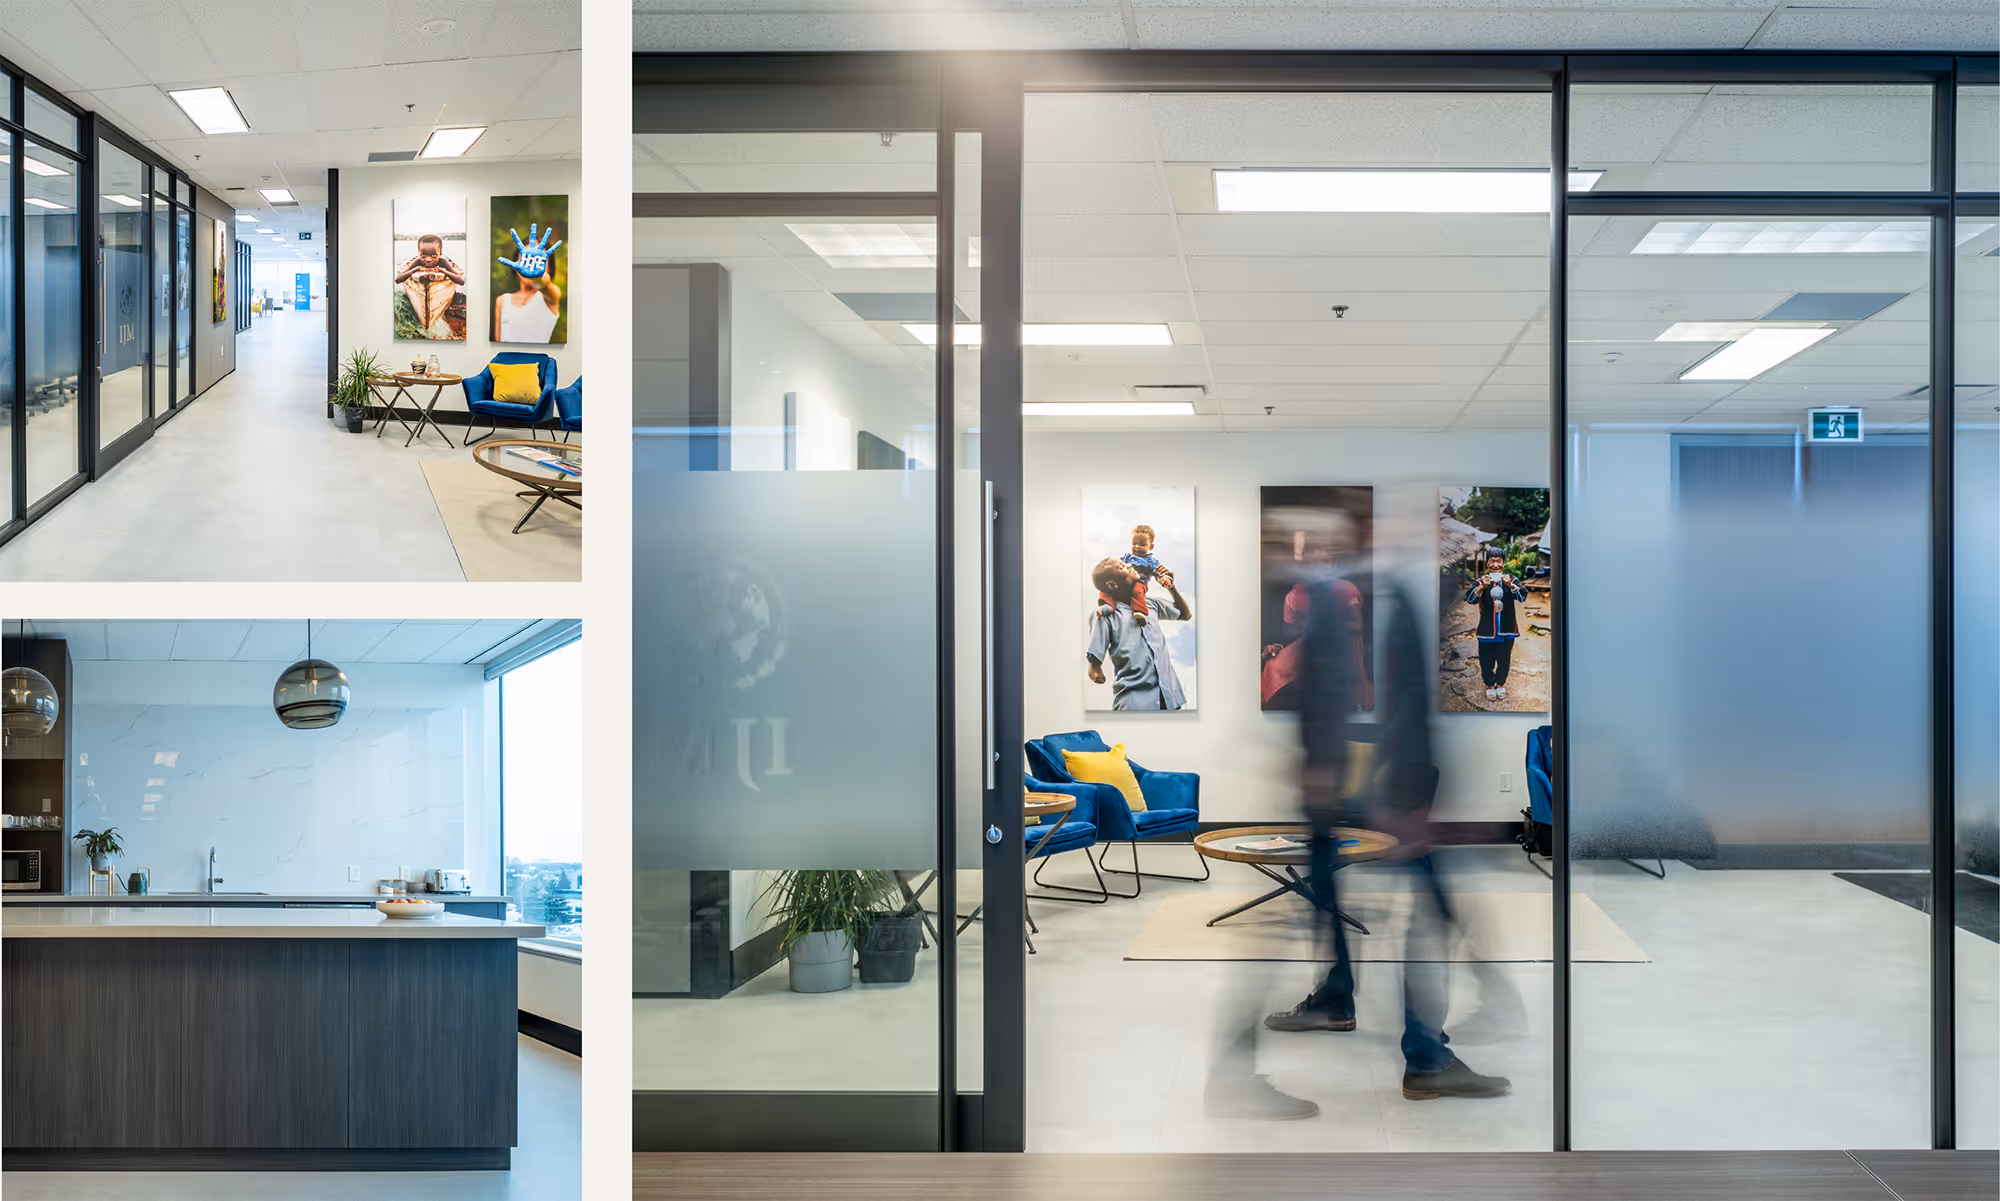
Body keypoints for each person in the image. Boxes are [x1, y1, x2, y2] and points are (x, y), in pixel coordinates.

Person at [1205, 509, 1509, 1119]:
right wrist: (1391, 797)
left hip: (1368, 784)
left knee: (1335, 906)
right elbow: (1345, 691)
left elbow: (1368, 692)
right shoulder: (1353, 595)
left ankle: (1341, 1006)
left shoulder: (1369, 594)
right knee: (1418, 918)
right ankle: (1422, 1058)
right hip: (1372, 788)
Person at [1085, 556, 1190, 712]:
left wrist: (1171, 587)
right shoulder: (1105, 615)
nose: (1128, 565)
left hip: (1171, 700)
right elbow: (1095, 654)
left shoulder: (1150, 604)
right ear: (1112, 585)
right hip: (1134, 703)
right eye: (1121, 566)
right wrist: (1094, 668)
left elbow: (1184, 614)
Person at [1466, 551, 1528, 702]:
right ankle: (1489, 685)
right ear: (1486, 563)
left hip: (1507, 629)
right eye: (1492, 561)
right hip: (1487, 630)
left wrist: (1510, 585)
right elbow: (1469, 598)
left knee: (1504, 659)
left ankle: (1500, 683)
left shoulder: (1512, 579)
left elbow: (1522, 597)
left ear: (1503, 563)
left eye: (1499, 561)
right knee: (1486, 660)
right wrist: (1481, 587)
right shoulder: (1481, 581)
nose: (1495, 564)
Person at [493, 223, 564, 343]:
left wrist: (537, 277)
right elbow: (499, 344)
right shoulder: (502, 301)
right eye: (526, 259)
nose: (530, 264)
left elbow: (544, 284)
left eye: (537, 260)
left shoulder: (550, 297)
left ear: (550, 268)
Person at [395, 234, 464, 335]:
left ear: (440, 254)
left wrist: (443, 270)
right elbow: (398, 279)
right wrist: (414, 269)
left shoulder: (442, 261)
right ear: (419, 254)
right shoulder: (418, 261)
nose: (428, 259)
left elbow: (461, 280)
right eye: (423, 256)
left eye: (434, 256)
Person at [1097, 524, 1163, 627]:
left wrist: (1164, 578)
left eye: (1142, 545)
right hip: (1124, 582)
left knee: (1137, 591)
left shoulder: (1151, 561)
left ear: (1151, 546)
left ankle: (1141, 613)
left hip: (1140, 583)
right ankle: (1107, 606)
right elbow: (1117, 565)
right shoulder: (1127, 557)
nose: (1137, 547)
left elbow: (1158, 572)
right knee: (1106, 589)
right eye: (1134, 543)